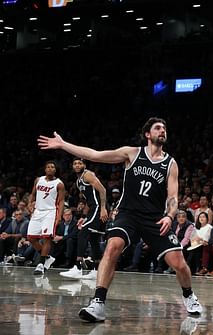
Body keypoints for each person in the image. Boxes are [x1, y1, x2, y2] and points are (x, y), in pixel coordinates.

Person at [37, 117, 203, 322]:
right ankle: (98, 303)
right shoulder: (131, 153)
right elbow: (95, 155)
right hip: (128, 214)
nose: (162, 131)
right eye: (158, 128)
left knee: (178, 263)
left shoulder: (171, 163)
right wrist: (63, 145)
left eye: (164, 128)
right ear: (148, 134)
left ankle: (189, 295)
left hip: (155, 219)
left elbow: (172, 196)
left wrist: (170, 216)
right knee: (112, 246)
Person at [60, 158, 108, 279]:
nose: (77, 165)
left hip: (99, 208)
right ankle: (96, 271)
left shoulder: (88, 175)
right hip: (93, 209)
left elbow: (103, 189)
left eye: (80, 163)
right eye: (75, 163)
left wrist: (103, 208)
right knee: (93, 239)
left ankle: (78, 267)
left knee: (82, 233)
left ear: (84, 165)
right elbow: (88, 200)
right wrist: (84, 217)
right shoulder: (78, 181)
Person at [27, 161, 65, 275]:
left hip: (51, 212)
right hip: (38, 211)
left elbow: (62, 201)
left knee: (47, 238)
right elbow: (33, 193)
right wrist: (29, 202)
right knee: (31, 238)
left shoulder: (59, 184)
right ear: (45, 169)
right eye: (48, 167)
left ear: (55, 170)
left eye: (52, 167)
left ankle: (41, 264)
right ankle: (47, 257)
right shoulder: (38, 180)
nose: (49, 168)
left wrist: (59, 216)